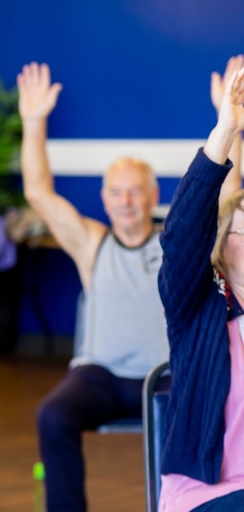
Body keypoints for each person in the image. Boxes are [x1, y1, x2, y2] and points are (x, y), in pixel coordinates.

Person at [20, 59, 241, 512]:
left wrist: (231, 125)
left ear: (154, 196)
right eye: (116, 192)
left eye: (135, 191)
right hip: (101, 376)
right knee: (52, 415)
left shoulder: (186, 250)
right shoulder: (92, 245)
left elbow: (225, 204)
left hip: (167, 375)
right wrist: (33, 122)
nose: (125, 202)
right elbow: (39, 193)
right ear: (103, 199)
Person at [158, 59, 244, 512]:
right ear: (222, 245)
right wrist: (226, 129)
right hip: (208, 493)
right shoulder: (199, 304)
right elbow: (182, 235)